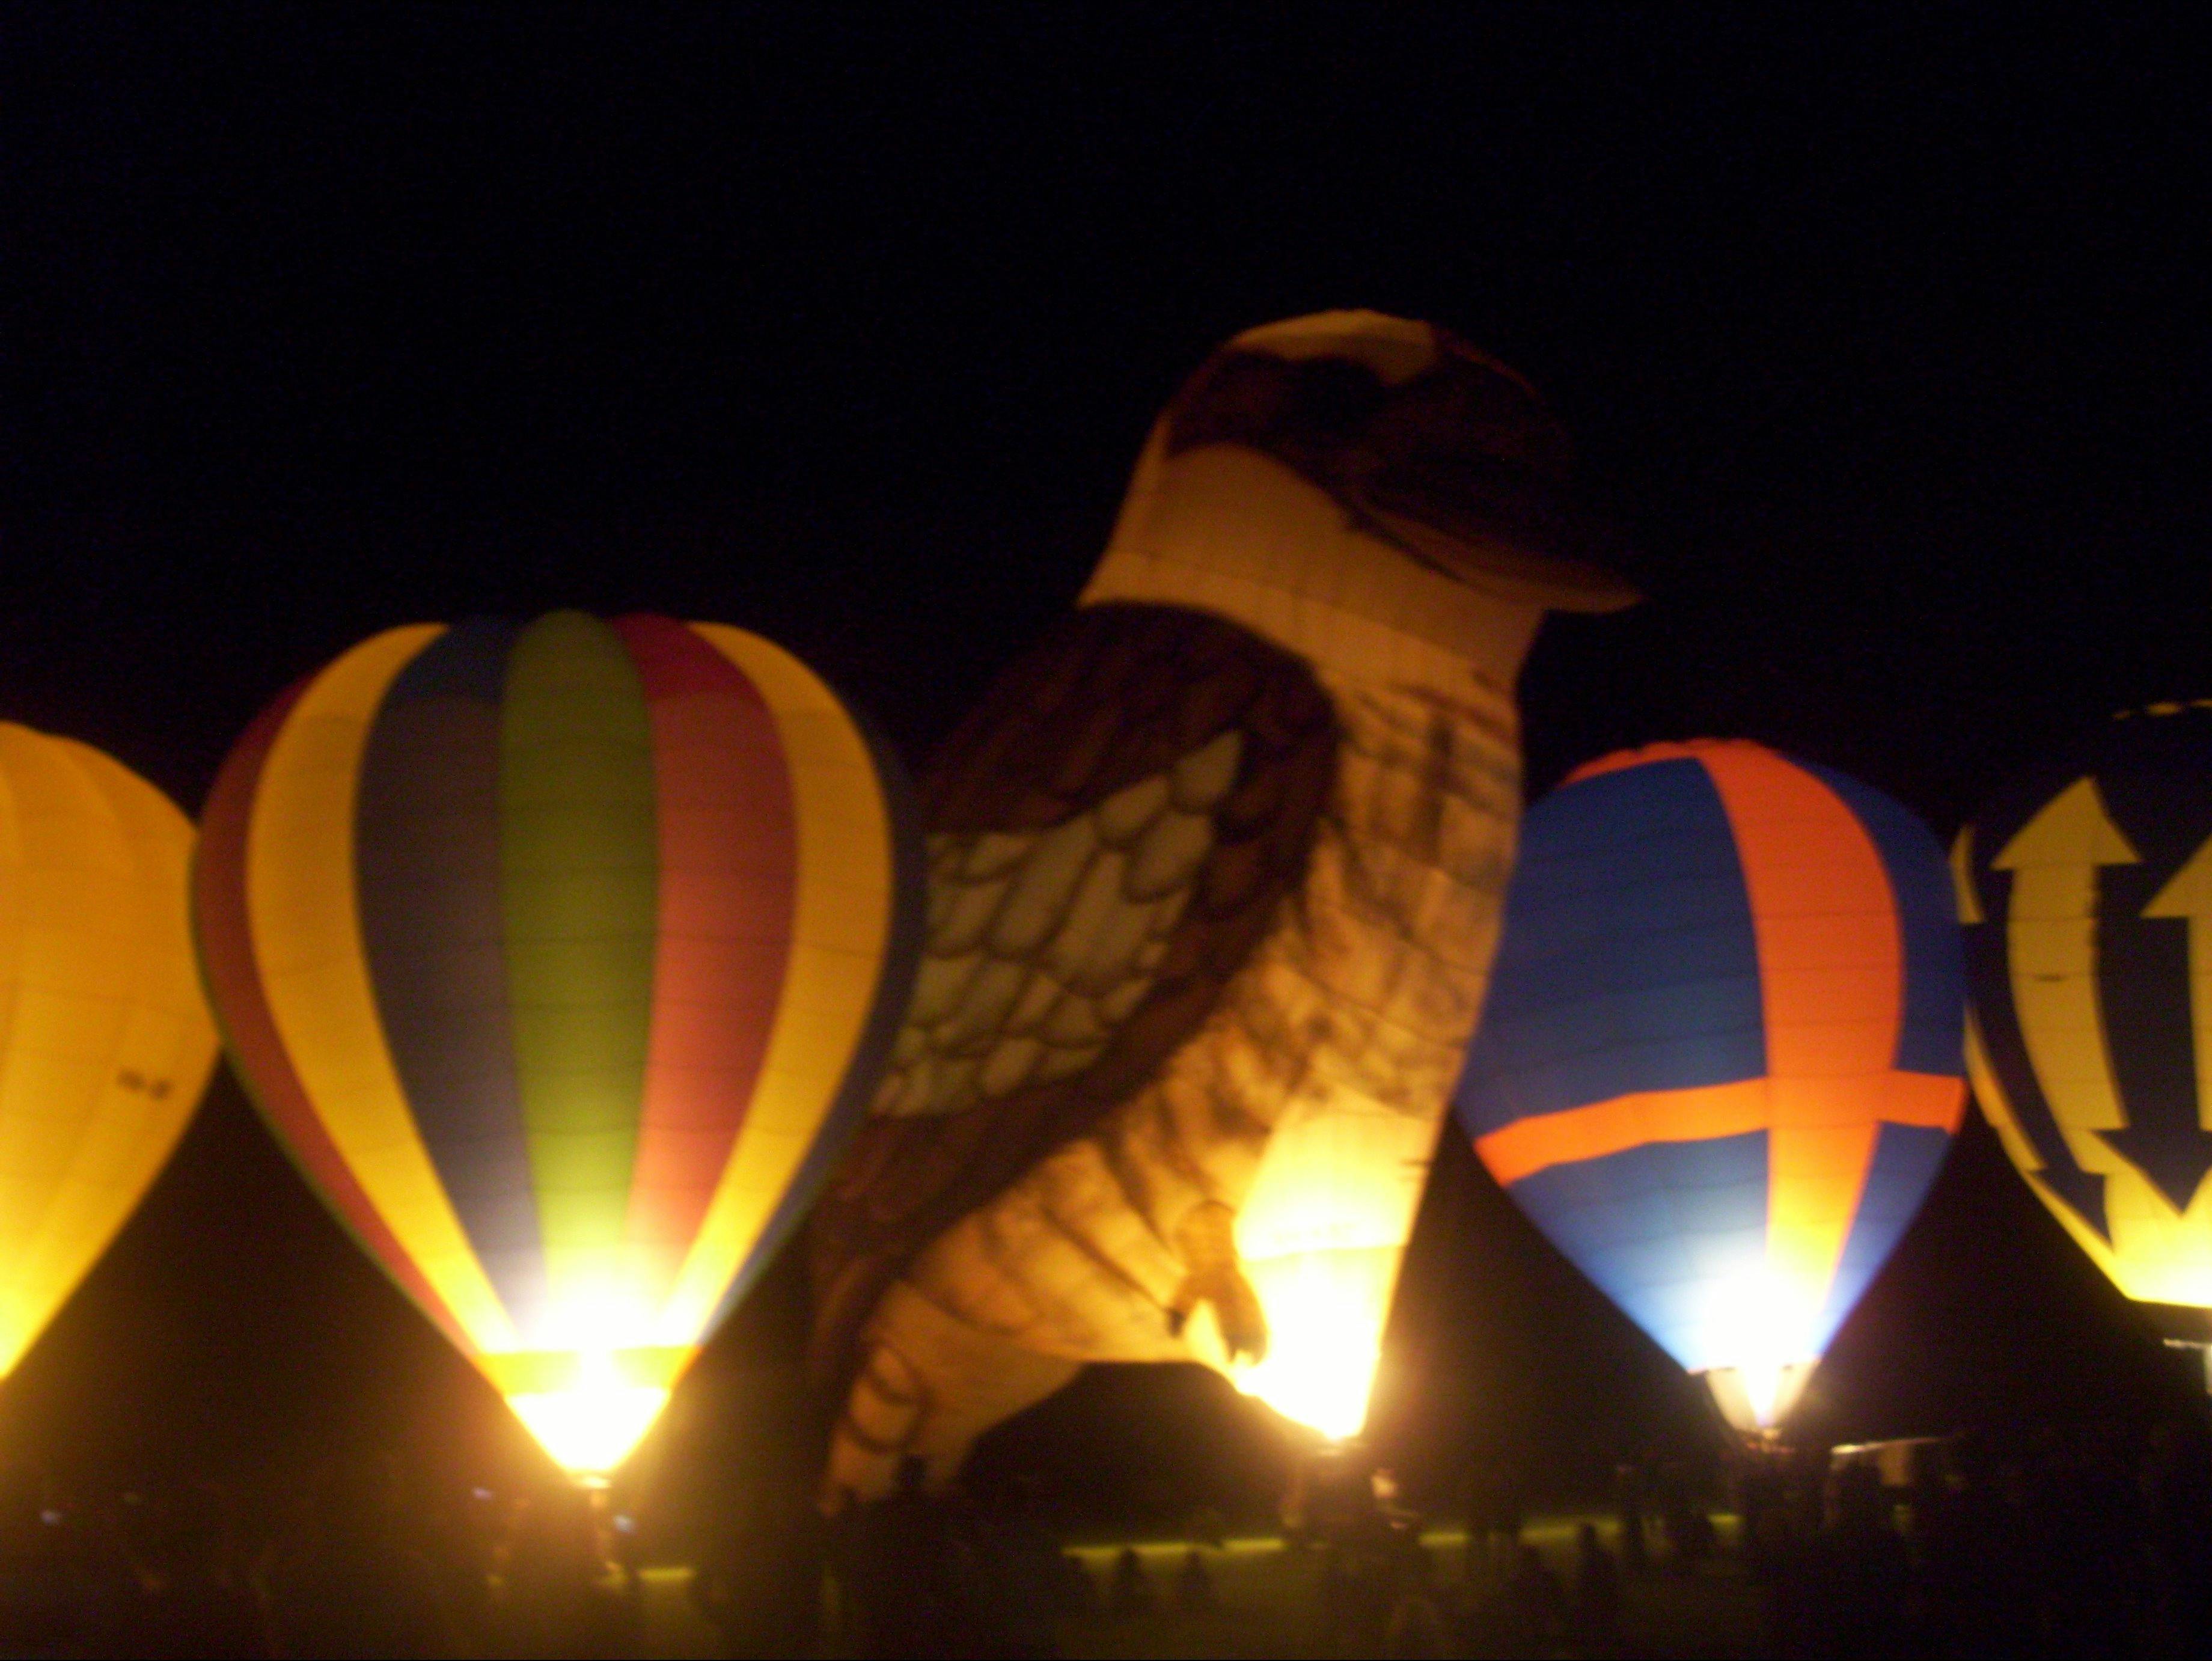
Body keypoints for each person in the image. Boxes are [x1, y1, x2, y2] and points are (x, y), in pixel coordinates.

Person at [1569, 1522, 1622, 1651]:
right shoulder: (1604, 1558)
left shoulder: (1589, 1561)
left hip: (1595, 1609)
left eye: (1580, 1539)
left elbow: (1584, 1588)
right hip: (1606, 1608)